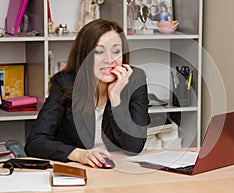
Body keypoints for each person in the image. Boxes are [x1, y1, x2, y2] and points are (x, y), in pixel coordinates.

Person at [25, 19, 149, 168]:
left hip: (118, 169)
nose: (109, 60)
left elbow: (134, 147)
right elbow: (35, 142)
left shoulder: (135, 79)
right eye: (99, 51)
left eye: (116, 51)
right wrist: (79, 154)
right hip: (77, 169)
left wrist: (116, 99)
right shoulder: (64, 83)